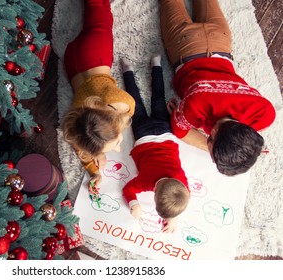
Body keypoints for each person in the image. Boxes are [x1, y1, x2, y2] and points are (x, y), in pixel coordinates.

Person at [159, 0, 276, 175]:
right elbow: (180, 131)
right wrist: (210, 149)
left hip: (219, 39)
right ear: (212, 132)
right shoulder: (195, 107)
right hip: (184, 44)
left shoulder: (265, 113)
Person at [61, 0, 135, 194]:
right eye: (118, 143)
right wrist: (94, 169)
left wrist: (97, 166)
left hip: (94, 52)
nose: (120, 149)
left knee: (101, 11)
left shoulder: (123, 103)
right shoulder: (77, 121)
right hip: (71, 63)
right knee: (100, 9)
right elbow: (81, 147)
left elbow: (131, 109)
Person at [121, 55, 190, 233]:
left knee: (158, 98)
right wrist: (134, 203)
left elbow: (184, 193)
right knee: (135, 103)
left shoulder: (181, 180)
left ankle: (156, 64)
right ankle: (127, 70)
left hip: (165, 132)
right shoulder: (146, 183)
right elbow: (128, 189)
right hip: (143, 136)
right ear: (155, 189)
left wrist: (172, 217)